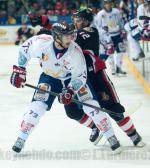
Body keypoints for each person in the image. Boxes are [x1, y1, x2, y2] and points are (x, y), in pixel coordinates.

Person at [28, 8, 145, 149]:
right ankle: (95, 126)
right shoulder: (71, 34)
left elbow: (68, 36)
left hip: (95, 77)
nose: (75, 24)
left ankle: (133, 135)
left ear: (85, 21)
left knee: (113, 108)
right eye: (75, 21)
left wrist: (47, 28)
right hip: (75, 78)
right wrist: (45, 23)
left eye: (77, 21)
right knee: (72, 112)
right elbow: (63, 34)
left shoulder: (91, 32)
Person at [10, 22, 121, 154]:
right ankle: (21, 138)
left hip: (71, 79)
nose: (71, 38)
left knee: (91, 106)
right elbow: (24, 49)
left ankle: (111, 136)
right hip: (49, 78)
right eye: (67, 36)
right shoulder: (41, 43)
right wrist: (20, 69)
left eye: (71, 35)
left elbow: (80, 76)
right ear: (57, 37)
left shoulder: (75, 51)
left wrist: (70, 91)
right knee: (36, 108)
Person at [95, 0, 127, 76]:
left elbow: (121, 21)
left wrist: (123, 30)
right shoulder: (100, 14)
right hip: (107, 36)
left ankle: (119, 68)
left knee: (120, 51)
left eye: (109, 3)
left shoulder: (116, 11)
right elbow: (98, 26)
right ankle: (112, 69)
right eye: (106, 3)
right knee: (110, 52)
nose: (108, 5)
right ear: (104, 4)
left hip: (117, 34)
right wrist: (102, 35)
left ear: (112, 4)